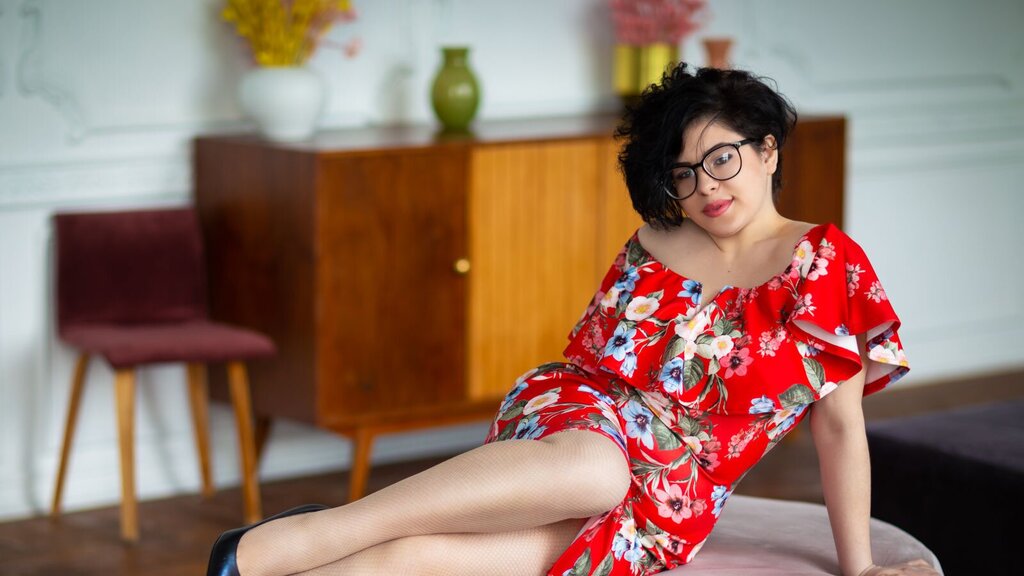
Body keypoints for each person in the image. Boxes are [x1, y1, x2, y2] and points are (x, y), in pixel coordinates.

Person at [207, 64, 939, 576]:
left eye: (721, 159)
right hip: (580, 424)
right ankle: (300, 537)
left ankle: (265, 562)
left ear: (768, 149)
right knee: (597, 469)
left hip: (667, 502)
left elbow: (839, 428)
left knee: (428, 561)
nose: (705, 188)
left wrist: (861, 568)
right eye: (683, 174)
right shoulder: (657, 243)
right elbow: (590, 371)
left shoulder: (827, 265)